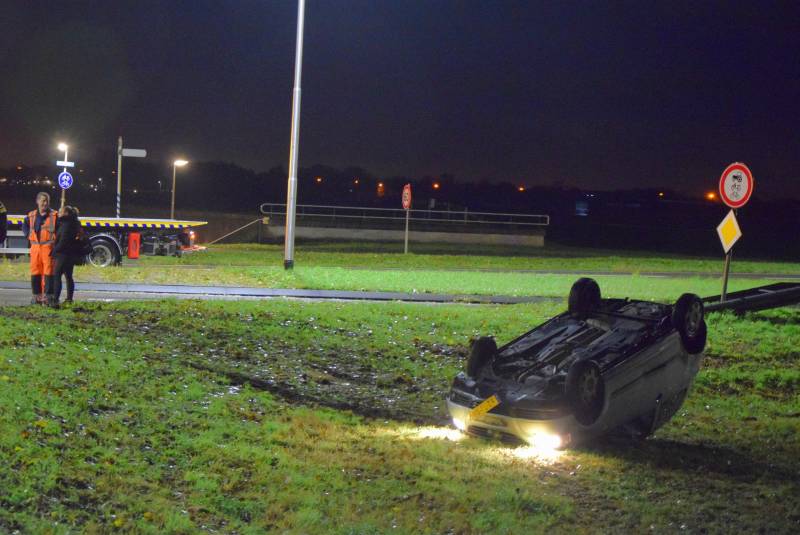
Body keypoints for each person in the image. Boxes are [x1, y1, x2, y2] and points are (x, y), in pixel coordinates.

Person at [21, 192, 58, 305]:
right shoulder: (31, 215)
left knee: (49, 273)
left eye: (47, 201)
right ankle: (36, 298)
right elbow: (25, 226)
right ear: (37, 201)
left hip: (48, 249)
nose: (45, 203)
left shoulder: (54, 215)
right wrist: (28, 235)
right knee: (35, 272)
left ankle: (48, 298)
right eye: (43, 201)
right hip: (35, 248)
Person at [51, 205, 83, 306]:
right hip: (70, 254)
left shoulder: (66, 224)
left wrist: (53, 251)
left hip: (63, 254)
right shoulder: (72, 222)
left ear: (66, 213)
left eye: (60, 212)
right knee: (68, 276)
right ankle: (69, 299)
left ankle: (55, 300)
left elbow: (63, 241)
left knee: (57, 275)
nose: (58, 213)